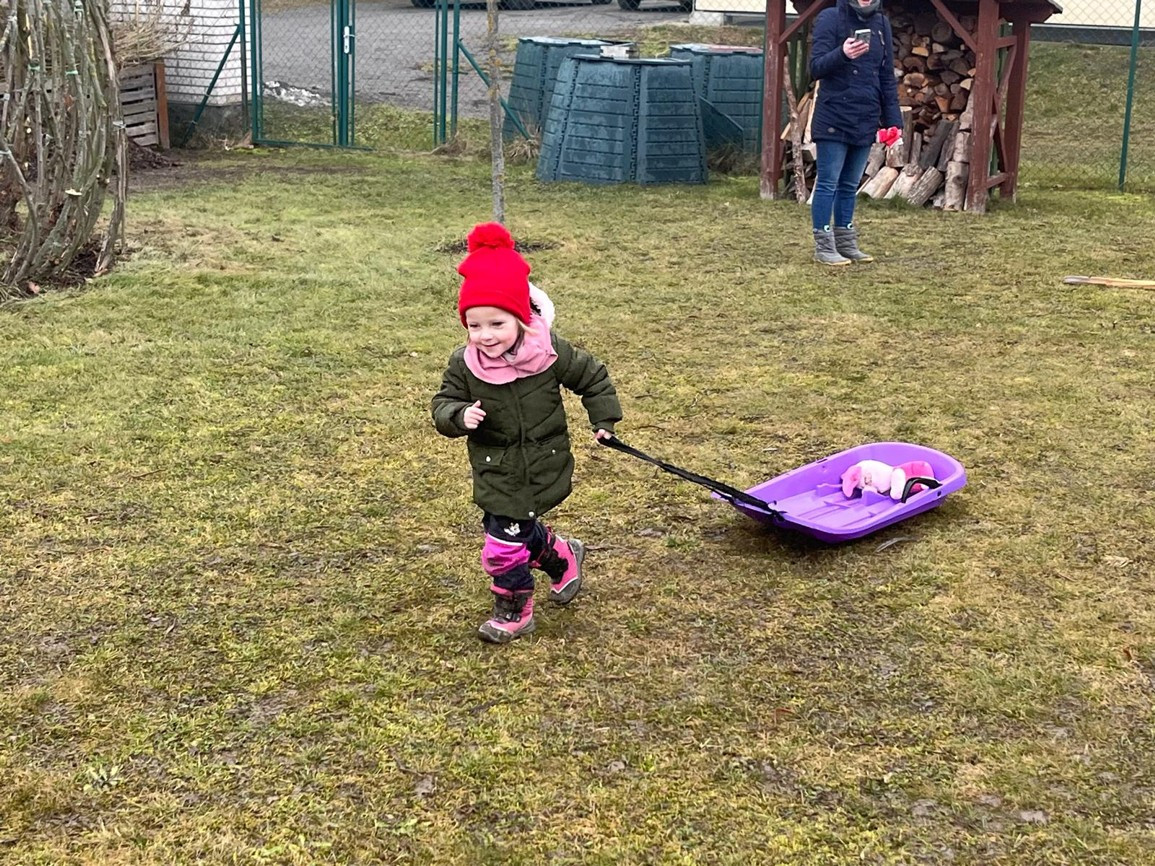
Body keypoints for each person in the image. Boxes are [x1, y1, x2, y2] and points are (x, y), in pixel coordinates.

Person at [432, 222, 622, 644]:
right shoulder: (465, 364)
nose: (485, 336)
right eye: (474, 325)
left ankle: (519, 607)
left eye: (496, 323)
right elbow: (442, 403)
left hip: (542, 462)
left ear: (521, 318)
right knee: (506, 540)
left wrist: (604, 422)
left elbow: (593, 378)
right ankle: (553, 565)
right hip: (496, 468)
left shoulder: (550, 352)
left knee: (506, 541)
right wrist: (458, 415)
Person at [808, 0, 903, 266]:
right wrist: (842, 53)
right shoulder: (829, 18)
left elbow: (886, 77)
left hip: (866, 116)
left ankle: (846, 243)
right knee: (828, 183)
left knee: (850, 184)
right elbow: (815, 67)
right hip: (833, 115)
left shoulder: (881, 24)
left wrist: (893, 121)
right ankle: (824, 246)